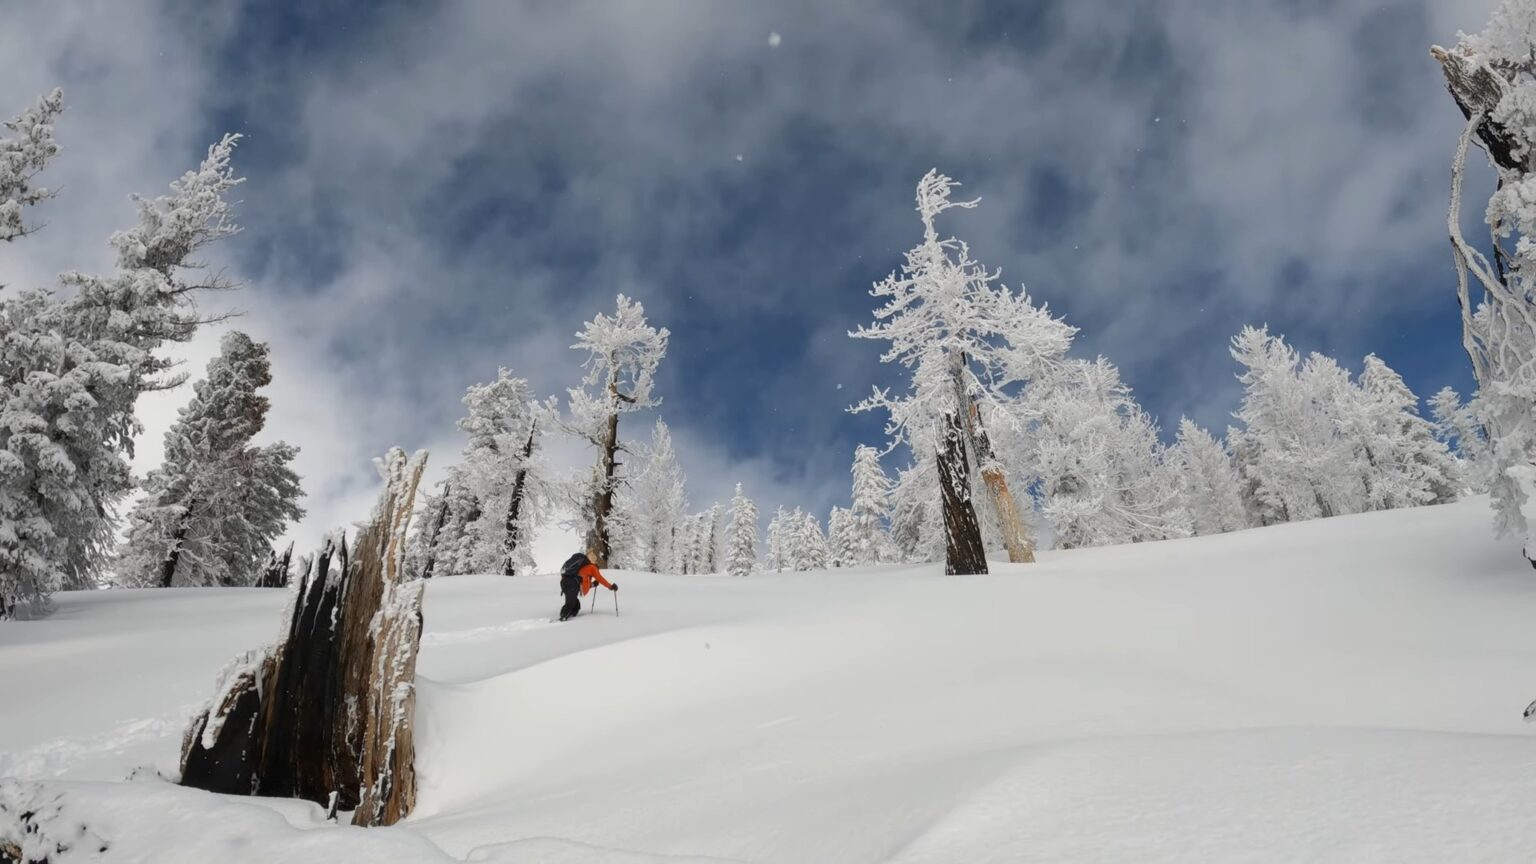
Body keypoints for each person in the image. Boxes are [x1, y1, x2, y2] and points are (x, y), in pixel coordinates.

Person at [559, 550, 616, 621]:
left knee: (576, 605)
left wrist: (593, 584)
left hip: (565, 582)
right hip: (571, 584)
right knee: (570, 604)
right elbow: (600, 579)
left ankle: (570, 618)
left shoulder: (584, 571)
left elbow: (583, 584)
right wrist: (610, 586)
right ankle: (562, 618)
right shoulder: (592, 568)